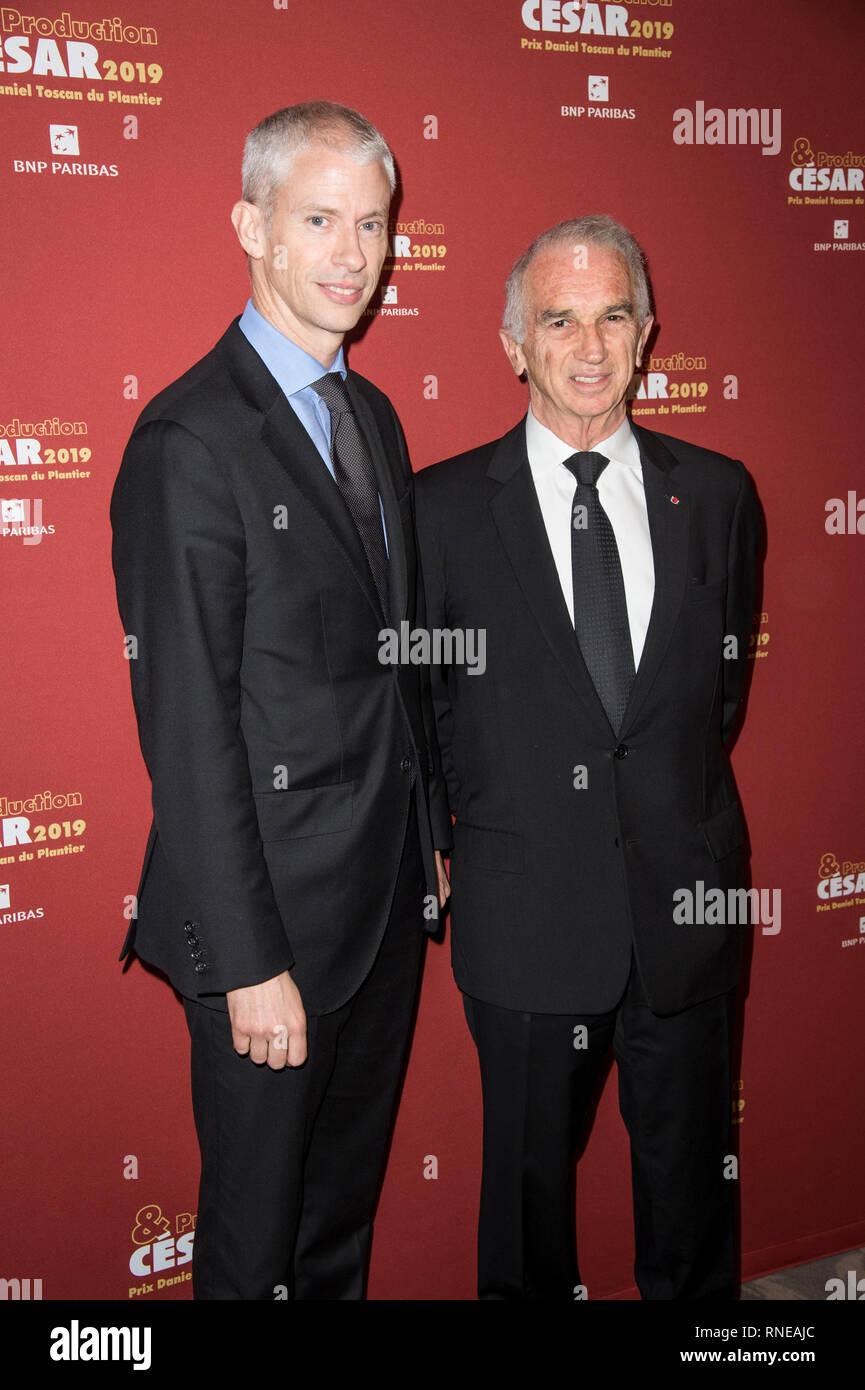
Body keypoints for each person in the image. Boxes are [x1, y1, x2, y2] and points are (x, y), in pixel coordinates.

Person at [111, 100, 450, 1301]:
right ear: (251, 224)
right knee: (253, 1253)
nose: (355, 254)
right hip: (268, 933)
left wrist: (430, 841)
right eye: (320, 220)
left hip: (380, 910)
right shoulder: (190, 440)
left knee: (335, 1238)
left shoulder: (372, 415)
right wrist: (250, 962)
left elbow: (395, 659)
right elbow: (189, 733)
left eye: (373, 223)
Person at [414, 215, 761, 1300]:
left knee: (693, 1211)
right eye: (558, 318)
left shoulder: (715, 494)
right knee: (524, 1225)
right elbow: (420, 713)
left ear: (647, 331)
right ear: (513, 343)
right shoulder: (437, 511)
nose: (589, 344)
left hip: (686, 912)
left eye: (614, 314)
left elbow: (716, 696)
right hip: (524, 925)